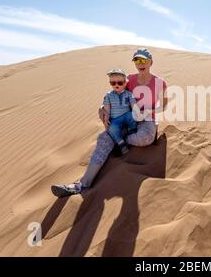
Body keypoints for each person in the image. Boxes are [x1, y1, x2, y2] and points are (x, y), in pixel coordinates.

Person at [51, 48, 167, 198]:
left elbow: (164, 106)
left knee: (145, 138)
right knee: (104, 141)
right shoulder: (129, 79)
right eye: (137, 60)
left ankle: (120, 141)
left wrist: (147, 111)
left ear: (151, 62)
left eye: (144, 60)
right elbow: (114, 94)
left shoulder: (160, 82)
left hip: (146, 119)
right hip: (126, 118)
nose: (140, 63)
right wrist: (102, 109)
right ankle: (80, 185)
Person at [103, 68, 144, 155]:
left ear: (125, 83)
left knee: (131, 116)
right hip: (115, 119)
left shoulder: (129, 94)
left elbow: (133, 104)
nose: (116, 85)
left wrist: (137, 112)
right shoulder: (108, 95)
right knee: (112, 128)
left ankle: (132, 130)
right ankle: (121, 143)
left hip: (126, 115)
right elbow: (106, 108)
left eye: (120, 83)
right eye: (113, 83)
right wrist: (106, 116)